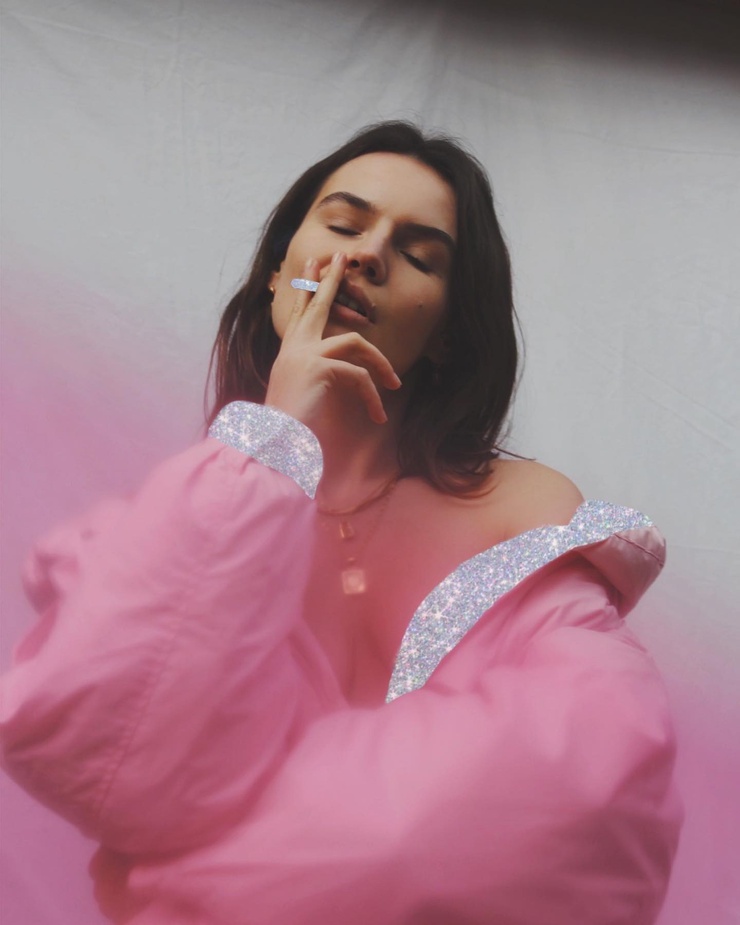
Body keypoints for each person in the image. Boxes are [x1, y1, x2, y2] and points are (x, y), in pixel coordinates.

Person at [0, 122, 681, 924]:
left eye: (419, 255)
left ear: (447, 332)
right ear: (277, 271)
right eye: (344, 222)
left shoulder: (524, 512)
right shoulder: (187, 516)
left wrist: (202, 873)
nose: (366, 255)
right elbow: (107, 755)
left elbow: (590, 792)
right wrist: (277, 427)